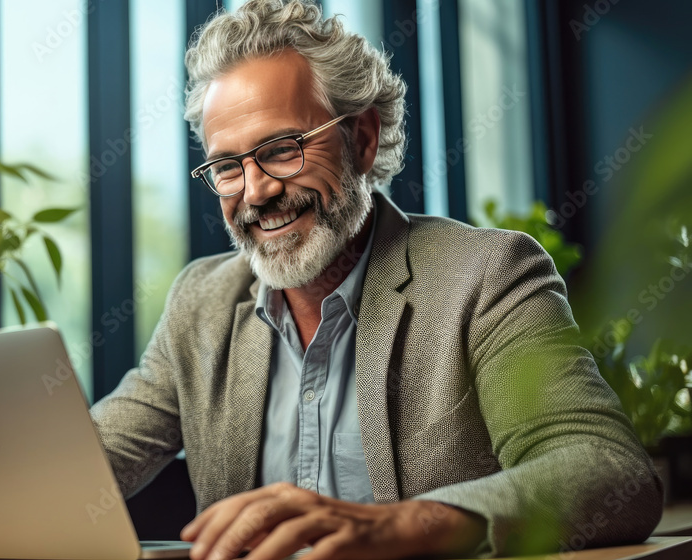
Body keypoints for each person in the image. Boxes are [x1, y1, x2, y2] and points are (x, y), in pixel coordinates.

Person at [89, 1, 663, 558]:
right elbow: (82, 465)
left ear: (361, 140)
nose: (256, 190)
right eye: (227, 166)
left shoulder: (488, 277)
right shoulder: (201, 302)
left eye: (283, 149)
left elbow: (608, 470)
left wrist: (404, 526)